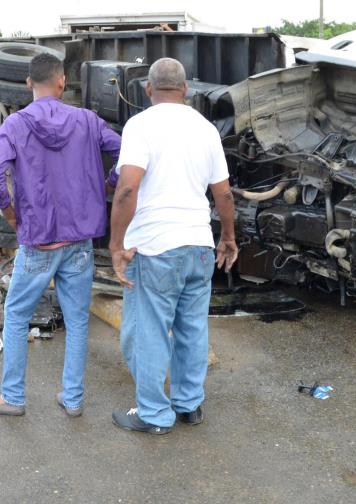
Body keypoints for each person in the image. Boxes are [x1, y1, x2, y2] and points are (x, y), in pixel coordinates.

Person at [0, 53, 122, 417]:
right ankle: (72, 399)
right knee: (76, 321)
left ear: (29, 83)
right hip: (79, 242)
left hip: (39, 240)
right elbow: (127, 152)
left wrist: (11, 214)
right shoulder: (87, 120)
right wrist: (108, 186)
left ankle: (12, 397)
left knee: (16, 314)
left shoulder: (15, 125)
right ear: (61, 83)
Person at [108, 58, 238, 434]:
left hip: (155, 246)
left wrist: (116, 244)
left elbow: (128, 187)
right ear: (185, 90)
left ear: (148, 90)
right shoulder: (206, 129)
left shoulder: (140, 125)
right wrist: (228, 238)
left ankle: (153, 414)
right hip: (198, 245)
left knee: (148, 330)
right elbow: (224, 194)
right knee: (193, 329)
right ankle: (188, 405)